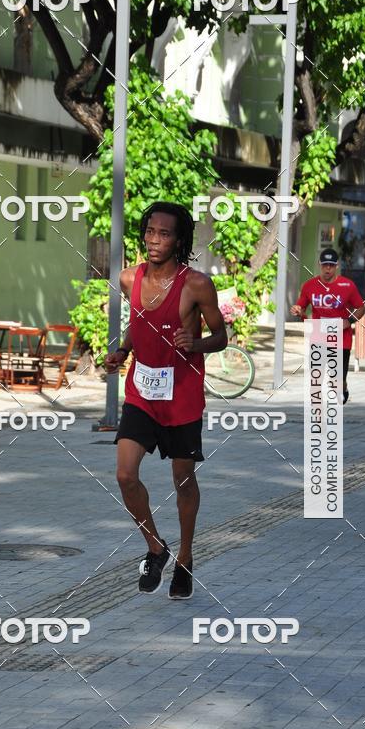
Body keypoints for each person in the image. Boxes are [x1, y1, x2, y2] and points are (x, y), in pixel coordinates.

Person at [105, 201, 227, 600]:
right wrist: (123, 350)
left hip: (182, 397)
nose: (155, 240)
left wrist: (197, 343)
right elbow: (137, 320)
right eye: (150, 232)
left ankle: (186, 558)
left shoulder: (197, 285)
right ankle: (156, 548)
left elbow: (221, 336)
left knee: (183, 481)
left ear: (179, 240)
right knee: (125, 475)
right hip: (142, 392)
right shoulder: (128, 278)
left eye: (165, 233)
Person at [290, 248, 365, 403]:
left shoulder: (347, 286)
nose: (328, 268)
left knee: (338, 380)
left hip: (341, 340)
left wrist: (349, 321)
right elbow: (301, 306)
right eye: (325, 265)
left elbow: (361, 307)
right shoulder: (309, 286)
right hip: (318, 337)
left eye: (331, 265)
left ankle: (343, 388)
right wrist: (297, 310)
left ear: (337, 266)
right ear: (319, 264)